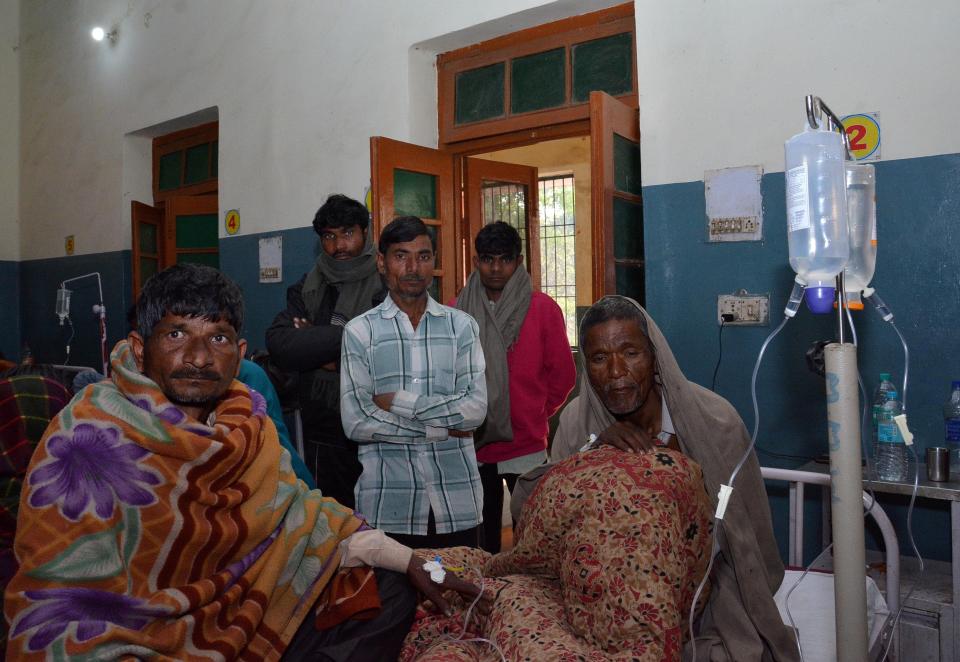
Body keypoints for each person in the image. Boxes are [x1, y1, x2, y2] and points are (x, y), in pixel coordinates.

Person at [5, 263, 486, 661]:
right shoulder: (87, 438)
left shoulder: (244, 426)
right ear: (138, 347)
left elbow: (308, 517)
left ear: (238, 354)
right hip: (144, 639)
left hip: (244, 620)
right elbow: (57, 601)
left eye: (216, 339)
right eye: (176, 334)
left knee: (389, 588)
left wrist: (412, 561)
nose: (197, 357)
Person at [512, 296, 799, 661]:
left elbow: (748, 536)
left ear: (654, 356)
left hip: (708, 587)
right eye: (599, 358)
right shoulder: (577, 424)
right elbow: (541, 522)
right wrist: (592, 456)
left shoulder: (714, 422)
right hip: (597, 596)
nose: (616, 371)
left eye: (630, 352)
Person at [340, 216, 487, 550]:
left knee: (458, 601)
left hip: (457, 503)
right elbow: (357, 422)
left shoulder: (462, 327)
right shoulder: (361, 333)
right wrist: (439, 429)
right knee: (394, 603)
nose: (413, 267)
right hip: (388, 506)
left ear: (433, 262)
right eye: (400, 255)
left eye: (423, 256)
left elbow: (475, 410)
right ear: (382, 262)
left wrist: (398, 403)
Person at [454, 221, 575, 553]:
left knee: (533, 535)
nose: (495, 268)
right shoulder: (456, 311)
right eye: (487, 259)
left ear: (519, 261)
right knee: (481, 538)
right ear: (475, 261)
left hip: (526, 443)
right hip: (472, 443)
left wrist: (532, 412)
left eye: (504, 259)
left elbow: (563, 376)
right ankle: (486, 599)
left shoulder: (542, 309)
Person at [266, 194, 386, 507]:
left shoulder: (386, 285)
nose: (339, 246)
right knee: (336, 526)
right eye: (329, 237)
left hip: (378, 426)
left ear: (364, 232)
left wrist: (317, 343)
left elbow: (388, 353)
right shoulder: (307, 286)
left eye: (347, 233)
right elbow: (282, 346)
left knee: (381, 527)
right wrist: (349, 340)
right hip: (323, 428)